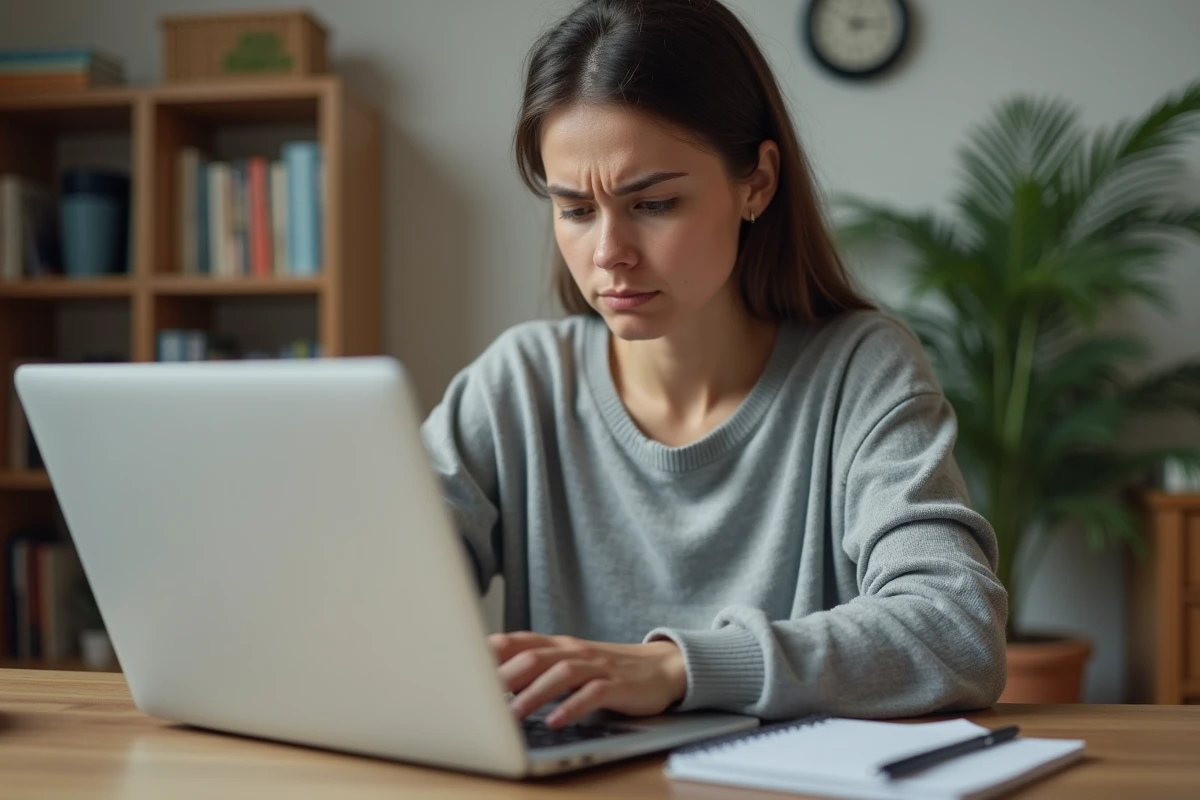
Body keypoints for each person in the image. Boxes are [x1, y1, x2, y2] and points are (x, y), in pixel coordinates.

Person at [420, 0, 1007, 731]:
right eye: (575, 210)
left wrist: (677, 668)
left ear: (756, 182)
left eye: (654, 203)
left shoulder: (860, 371)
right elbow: (367, 587)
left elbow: (956, 629)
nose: (608, 254)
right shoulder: (517, 385)